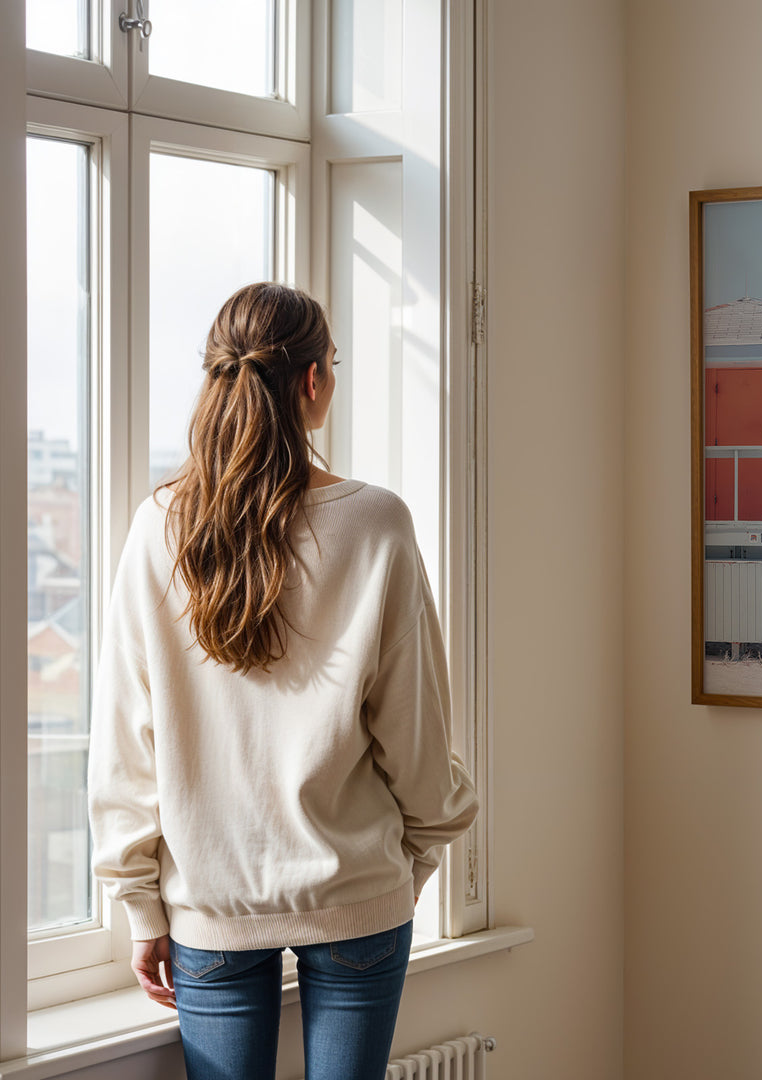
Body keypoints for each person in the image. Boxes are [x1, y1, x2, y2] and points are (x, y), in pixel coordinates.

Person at [88, 282, 479, 1080]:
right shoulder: (375, 523)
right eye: (331, 364)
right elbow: (415, 725)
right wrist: (421, 853)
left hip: (209, 905)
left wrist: (140, 905)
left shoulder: (158, 525)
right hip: (359, 891)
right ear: (311, 381)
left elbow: (126, 733)